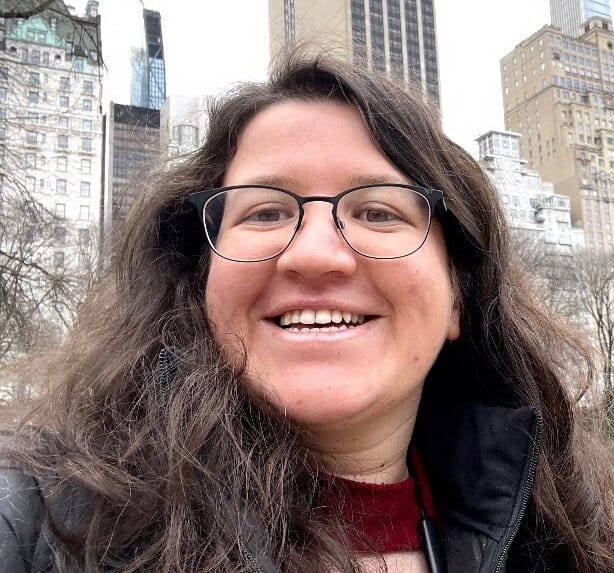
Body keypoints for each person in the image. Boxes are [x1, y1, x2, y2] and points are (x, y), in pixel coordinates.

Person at [0, 47, 612, 573]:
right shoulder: (35, 519)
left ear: (458, 298)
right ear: (200, 280)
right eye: (265, 212)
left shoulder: (574, 538)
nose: (315, 255)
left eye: (378, 212)